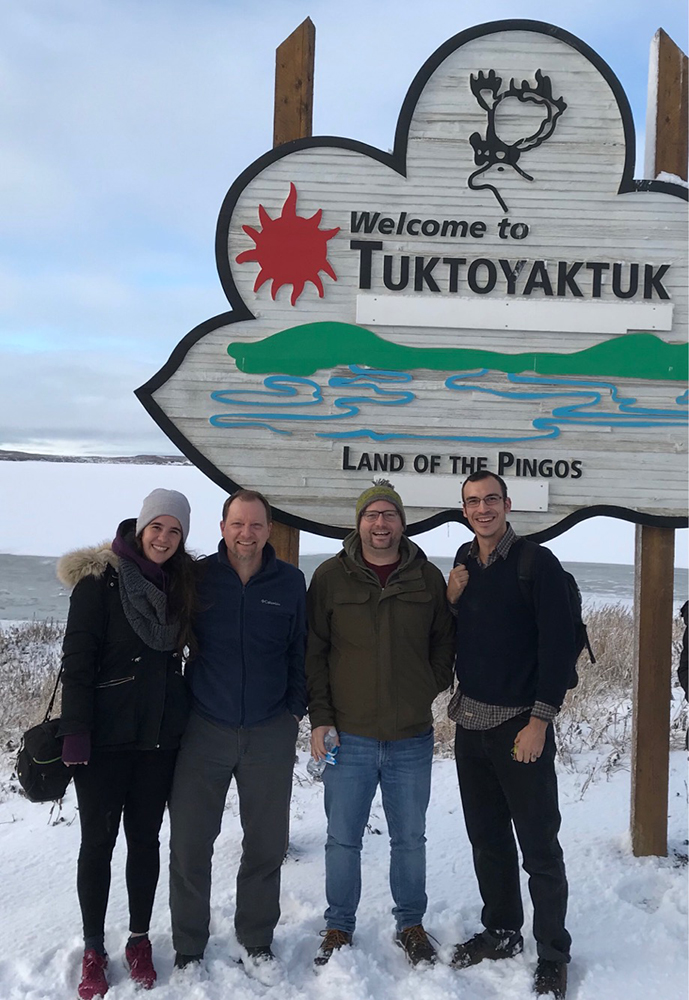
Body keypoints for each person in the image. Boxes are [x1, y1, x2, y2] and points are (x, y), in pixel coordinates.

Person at [306, 479, 455, 967]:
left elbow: (443, 643)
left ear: (401, 522)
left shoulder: (425, 577)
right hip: (349, 737)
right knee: (341, 838)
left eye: (389, 514)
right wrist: (322, 719)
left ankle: (410, 923)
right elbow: (316, 653)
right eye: (372, 515)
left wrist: (424, 687)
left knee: (409, 838)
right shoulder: (331, 576)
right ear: (359, 522)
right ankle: (338, 927)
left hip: (410, 736)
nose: (381, 523)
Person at [58, 489, 196, 1000]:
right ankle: (94, 948)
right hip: (103, 740)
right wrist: (76, 731)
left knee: (145, 841)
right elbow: (77, 658)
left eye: (175, 530)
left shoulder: (182, 585)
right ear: (141, 527)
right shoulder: (99, 582)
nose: (163, 538)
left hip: (158, 739)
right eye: (157, 527)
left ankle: (138, 939)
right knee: (97, 844)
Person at [446, 470, 576, 1000]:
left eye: (491, 499)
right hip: (469, 726)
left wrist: (540, 722)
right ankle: (502, 931)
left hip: (520, 727)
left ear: (507, 503)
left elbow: (559, 647)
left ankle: (552, 953)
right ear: (464, 509)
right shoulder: (463, 557)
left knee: (539, 847)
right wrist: (450, 599)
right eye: (473, 502)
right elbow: (467, 633)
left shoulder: (535, 563)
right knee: (488, 840)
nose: (483, 509)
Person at [168, 489, 307, 984]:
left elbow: (301, 654)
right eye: (237, 524)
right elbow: (167, 638)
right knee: (189, 843)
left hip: (269, 730)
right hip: (205, 727)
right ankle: (188, 946)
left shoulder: (290, 582)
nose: (246, 533)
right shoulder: (198, 578)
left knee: (267, 842)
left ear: (269, 530)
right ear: (222, 526)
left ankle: (256, 939)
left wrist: (294, 712)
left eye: (255, 525)